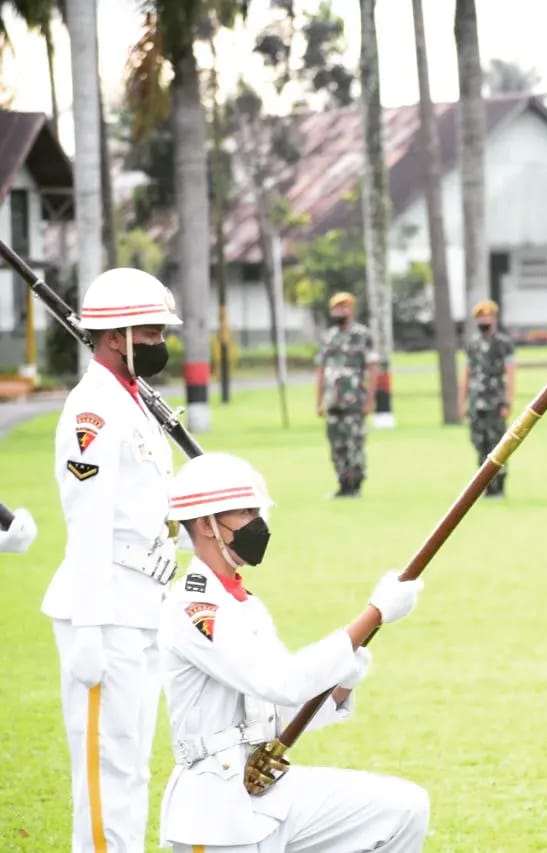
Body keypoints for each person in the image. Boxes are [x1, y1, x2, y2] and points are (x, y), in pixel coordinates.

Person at [158, 452, 430, 852]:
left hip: (268, 795)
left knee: (404, 809)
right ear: (205, 524)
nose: (258, 524)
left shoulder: (244, 603)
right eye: (246, 512)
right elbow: (280, 682)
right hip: (216, 816)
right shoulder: (195, 606)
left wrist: (339, 687)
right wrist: (373, 615)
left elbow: (280, 712)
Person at [41, 267, 183, 852]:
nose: (158, 343)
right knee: (106, 778)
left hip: (143, 605)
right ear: (114, 335)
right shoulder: (91, 412)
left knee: (132, 768)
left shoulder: (134, 403)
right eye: (149, 333)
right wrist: (92, 628)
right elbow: (91, 521)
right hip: (105, 612)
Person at [315, 291, 377, 498]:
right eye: (337, 308)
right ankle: (342, 485)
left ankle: (355, 486)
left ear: (351, 309)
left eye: (344, 307)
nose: (340, 311)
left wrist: (370, 400)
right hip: (333, 401)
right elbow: (322, 371)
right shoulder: (329, 337)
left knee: (354, 444)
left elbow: (372, 368)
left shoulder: (363, 335)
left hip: (354, 401)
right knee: (336, 446)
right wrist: (319, 401)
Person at [460, 299, 516, 498]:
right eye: (481, 316)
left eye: (488, 316)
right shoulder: (473, 345)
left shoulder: (503, 344)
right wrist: (463, 401)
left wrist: (508, 401)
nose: (485, 320)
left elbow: (510, 373)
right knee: (479, 442)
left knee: (498, 444)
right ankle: (484, 486)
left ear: (495, 318)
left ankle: (499, 485)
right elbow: (467, 373)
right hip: (477, 402)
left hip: (495, 401)